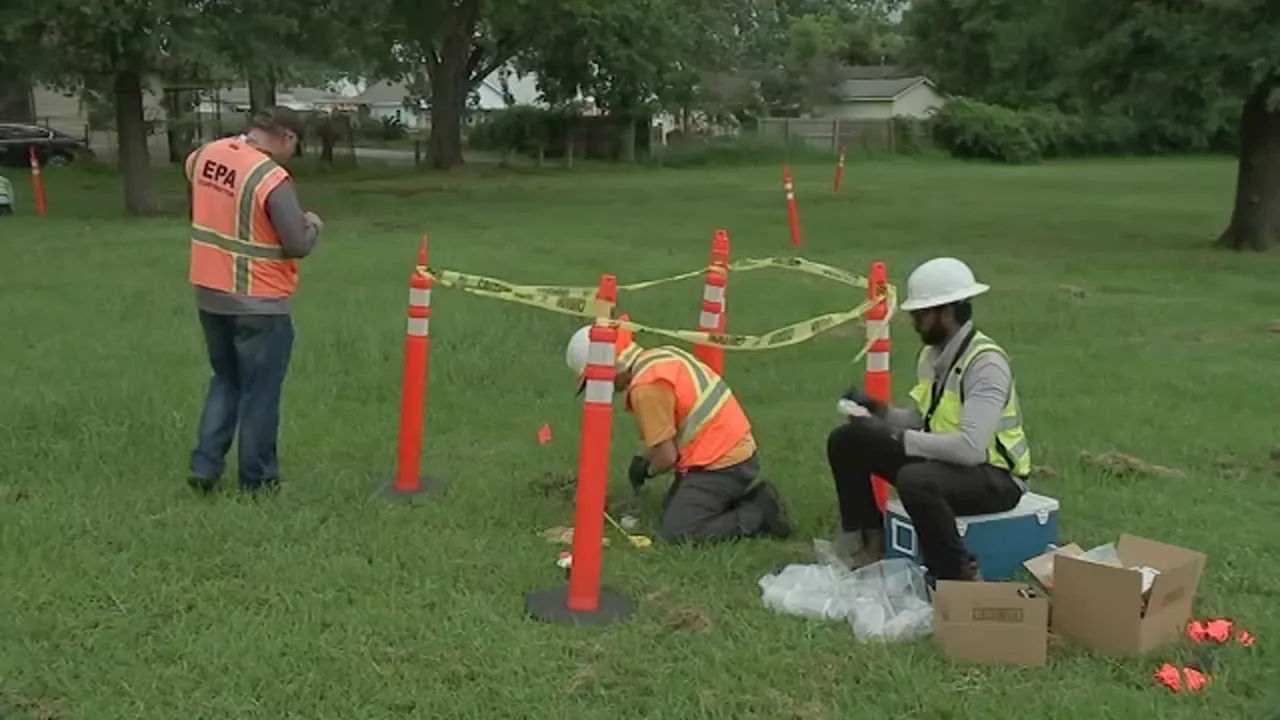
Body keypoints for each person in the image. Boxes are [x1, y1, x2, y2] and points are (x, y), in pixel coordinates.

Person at [826, 257, 1031, 581]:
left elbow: (971, 449)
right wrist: (877, 412)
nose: (913, 323)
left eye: (920, 315)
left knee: (916, 479)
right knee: (848, 440)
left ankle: (956, 573)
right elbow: (920, 419)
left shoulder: (986, 365)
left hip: (996, 478)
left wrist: (895, 438)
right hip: (949, 464)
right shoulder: (934, 355)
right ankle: (870, 545)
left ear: (946, 313)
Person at [184, 107, 322, 494]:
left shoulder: (203, 156)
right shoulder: (270, 177)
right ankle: (258, 481)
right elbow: (296, 243)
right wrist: (313, 226)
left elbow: (201, 210)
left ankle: (205, 466)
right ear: (287, 137)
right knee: (260, 394)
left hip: (210, 294)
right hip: (260, 303)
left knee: (225, 379)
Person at [564, 323, 792, 543]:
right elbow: (672, 429)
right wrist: (644, 457)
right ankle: (734, 502)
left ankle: (761, 510)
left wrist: (647, 470)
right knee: (674, 510)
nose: (605, 387)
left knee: (678, 532)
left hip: (722, 463)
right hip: (729, 449)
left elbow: (667, 457)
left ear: (611, 366)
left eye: (596, 379)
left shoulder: (646, 389)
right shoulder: (659, 357)